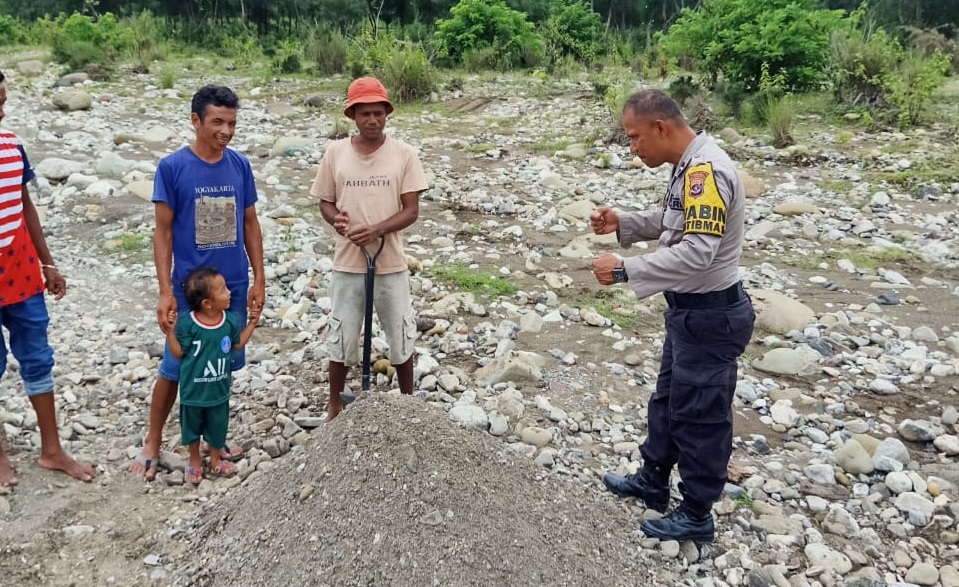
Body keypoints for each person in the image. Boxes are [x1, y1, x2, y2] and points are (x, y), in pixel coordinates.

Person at [590, 89, 755, 544]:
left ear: (661, 128)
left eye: (634, 137)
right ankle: (653, 480)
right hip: (689, 316)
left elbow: (698, 253)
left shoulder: (707, 171)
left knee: (700, 415)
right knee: (668, 402)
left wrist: (627, 270)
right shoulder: (689, 164)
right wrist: (624, 223)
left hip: (711, 317)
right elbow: (673, 217)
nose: (632, 147)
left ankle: (698, 513)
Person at [129, 85, 265, 480]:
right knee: (175, 368)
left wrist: (259, 278)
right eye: (217, 122)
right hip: (191, 291)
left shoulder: (239, 166)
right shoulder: (173, 168)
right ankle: (153, 440)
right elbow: (163, 232)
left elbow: (250, 223)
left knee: (220, 364)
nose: (226, 131)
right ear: (195, 121)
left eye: (232, 123)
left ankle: (214, 443)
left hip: (232, 287)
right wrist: (165, 291)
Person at [310, 77, 428, 421]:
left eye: (378, 113)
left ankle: (407, 403)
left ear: (387, 114)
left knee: (400, 331)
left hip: (389, 260)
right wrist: (339, 223)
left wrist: (376, 230)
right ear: (353, 116)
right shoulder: (336, 153)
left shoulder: (404, 154)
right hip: (348, 261)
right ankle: (334, 406)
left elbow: (411, 210)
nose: (372, 120)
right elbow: (326, 203)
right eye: (365, 114)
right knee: (342, 333)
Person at [0, 69, 95, 487]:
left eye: (2, 102)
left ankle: (52, 449)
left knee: (37, 356)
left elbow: (25, 207)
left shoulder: (12, 146)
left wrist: (48, 263)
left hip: (21, 269)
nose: (0, 110)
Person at [165, 267, 260, 484]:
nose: (229, 293)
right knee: (192, 428)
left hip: (219, 390)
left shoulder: (228, 322)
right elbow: (179, 352)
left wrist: (252, 323)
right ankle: (195, 459)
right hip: (193, 391)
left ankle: (215, 459)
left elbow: (237, 344)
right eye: (223, 290)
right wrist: (170, 332)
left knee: (218, 425)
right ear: (207, 304)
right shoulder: (189, 324)